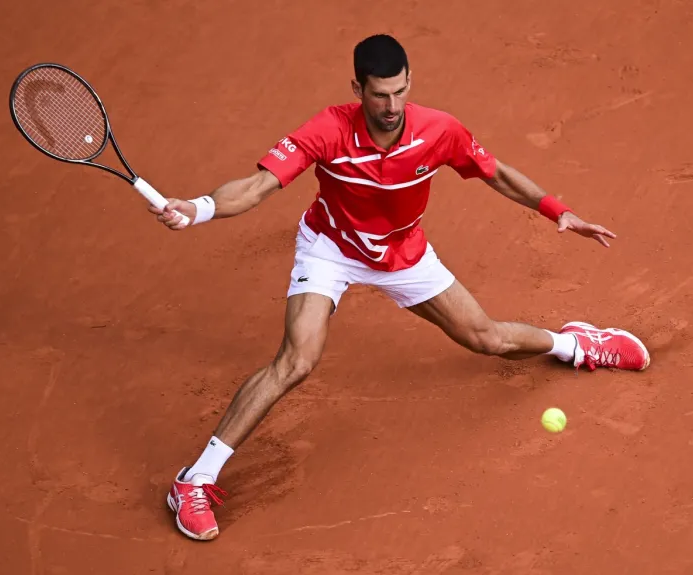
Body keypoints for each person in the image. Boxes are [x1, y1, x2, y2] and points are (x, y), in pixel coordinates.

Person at [150, 34, 651, 541]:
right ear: (357, 89)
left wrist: (559, 212)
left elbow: (494, 173)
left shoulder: (438, 130)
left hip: (403, 252)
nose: (391, 107)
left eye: (400, 91)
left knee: (487, 339)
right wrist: (199, 209)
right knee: (297, 360)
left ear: (410, 81)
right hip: (331, 248)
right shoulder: (327, 129)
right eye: (379, 95)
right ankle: (194, 481)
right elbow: (257, 186)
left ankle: (576, 343)